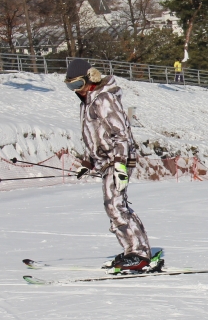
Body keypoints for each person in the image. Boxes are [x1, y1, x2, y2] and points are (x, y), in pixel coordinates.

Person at [65, 59, 153, 271]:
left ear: (91, 78)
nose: (76, 90)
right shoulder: (87, 103)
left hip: (119, 159)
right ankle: (133, 249)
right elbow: (94, 136)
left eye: (77, 84)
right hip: (109, 161)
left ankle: (139, 254)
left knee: (115, 205)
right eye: (70, 86)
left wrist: (121, 165)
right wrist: (89, 162)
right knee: (115, 205)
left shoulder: (103, 99)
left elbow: (121, 133)